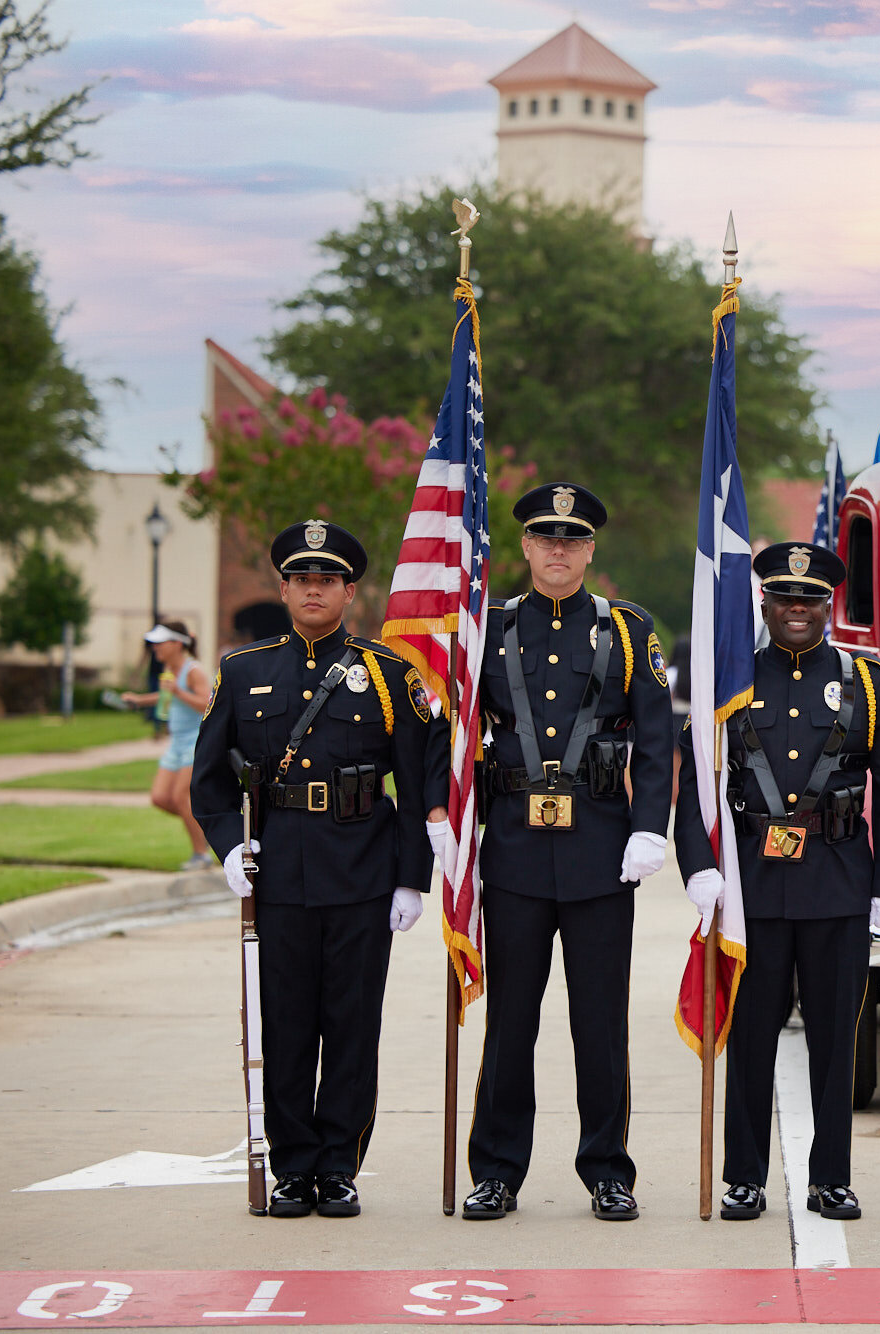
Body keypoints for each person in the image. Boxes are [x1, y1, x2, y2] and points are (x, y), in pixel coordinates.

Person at [191, 520, 449, 1219]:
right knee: (285, 1027)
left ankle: (338, 1166)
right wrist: (228, 849)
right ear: (283, 588)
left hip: (362, 872)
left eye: (327, 580)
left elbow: (421, 777)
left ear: (349, 592)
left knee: (351, 1025)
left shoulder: (392, 675)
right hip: (278, 877)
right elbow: (210, 780)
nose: (314, 590)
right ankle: (292, 1169)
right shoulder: (243, 671)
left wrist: (410, 876)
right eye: (302, 579)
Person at [459, 483, 675, 1225]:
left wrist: (652, 825)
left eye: (573, 538)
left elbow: (656, 738)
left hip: (599, 852)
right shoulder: (488, 630)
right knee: (511, 1021)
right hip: (515, 850)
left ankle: (608, 1170)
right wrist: (448, 823)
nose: (558, 549)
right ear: (523, 547)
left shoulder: (627, 630)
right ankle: (495, 1171)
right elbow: (454, 738)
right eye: (545, 537)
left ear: (591, 550)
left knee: (599, 1022)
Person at [677, 542, 880, 1223]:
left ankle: (830, 1178)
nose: (797, 610)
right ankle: (744, 1176)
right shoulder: (731, 681)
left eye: (809, 600)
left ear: (827, 605)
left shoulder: (871, 684)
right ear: (765, 605)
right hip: (751, 889)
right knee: (750, 1035)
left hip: (837, 881)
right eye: (784, 599)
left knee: (836, 1041)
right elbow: (695, 785)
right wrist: (699, 867)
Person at [123, 621, 215, 870]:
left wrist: (178, 691)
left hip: (195, 742)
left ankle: (201, 855)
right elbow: (167, 696)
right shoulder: (168, 668)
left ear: (177, 644)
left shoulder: (193, 670)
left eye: (160, 643)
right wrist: (139, 700)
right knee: (161, 798)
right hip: (176, 743)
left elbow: (207, 704)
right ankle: (203, 831)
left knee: (180, 796)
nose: (155, 649)